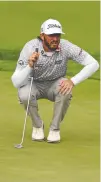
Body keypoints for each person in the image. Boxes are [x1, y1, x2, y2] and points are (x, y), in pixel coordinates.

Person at [11, 18, 99, 143]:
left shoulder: (66, 46)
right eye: (51, 35)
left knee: (65, 90)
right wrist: (29, 66)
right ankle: (37, 125)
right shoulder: (30, 47)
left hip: (55, 83)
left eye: (57, 35)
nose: (55, 39)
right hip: (34, 83)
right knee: (24, 94)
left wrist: (73, 81)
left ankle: (54, 129)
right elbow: (16, 82)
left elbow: (93, 64)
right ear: (42, 36)